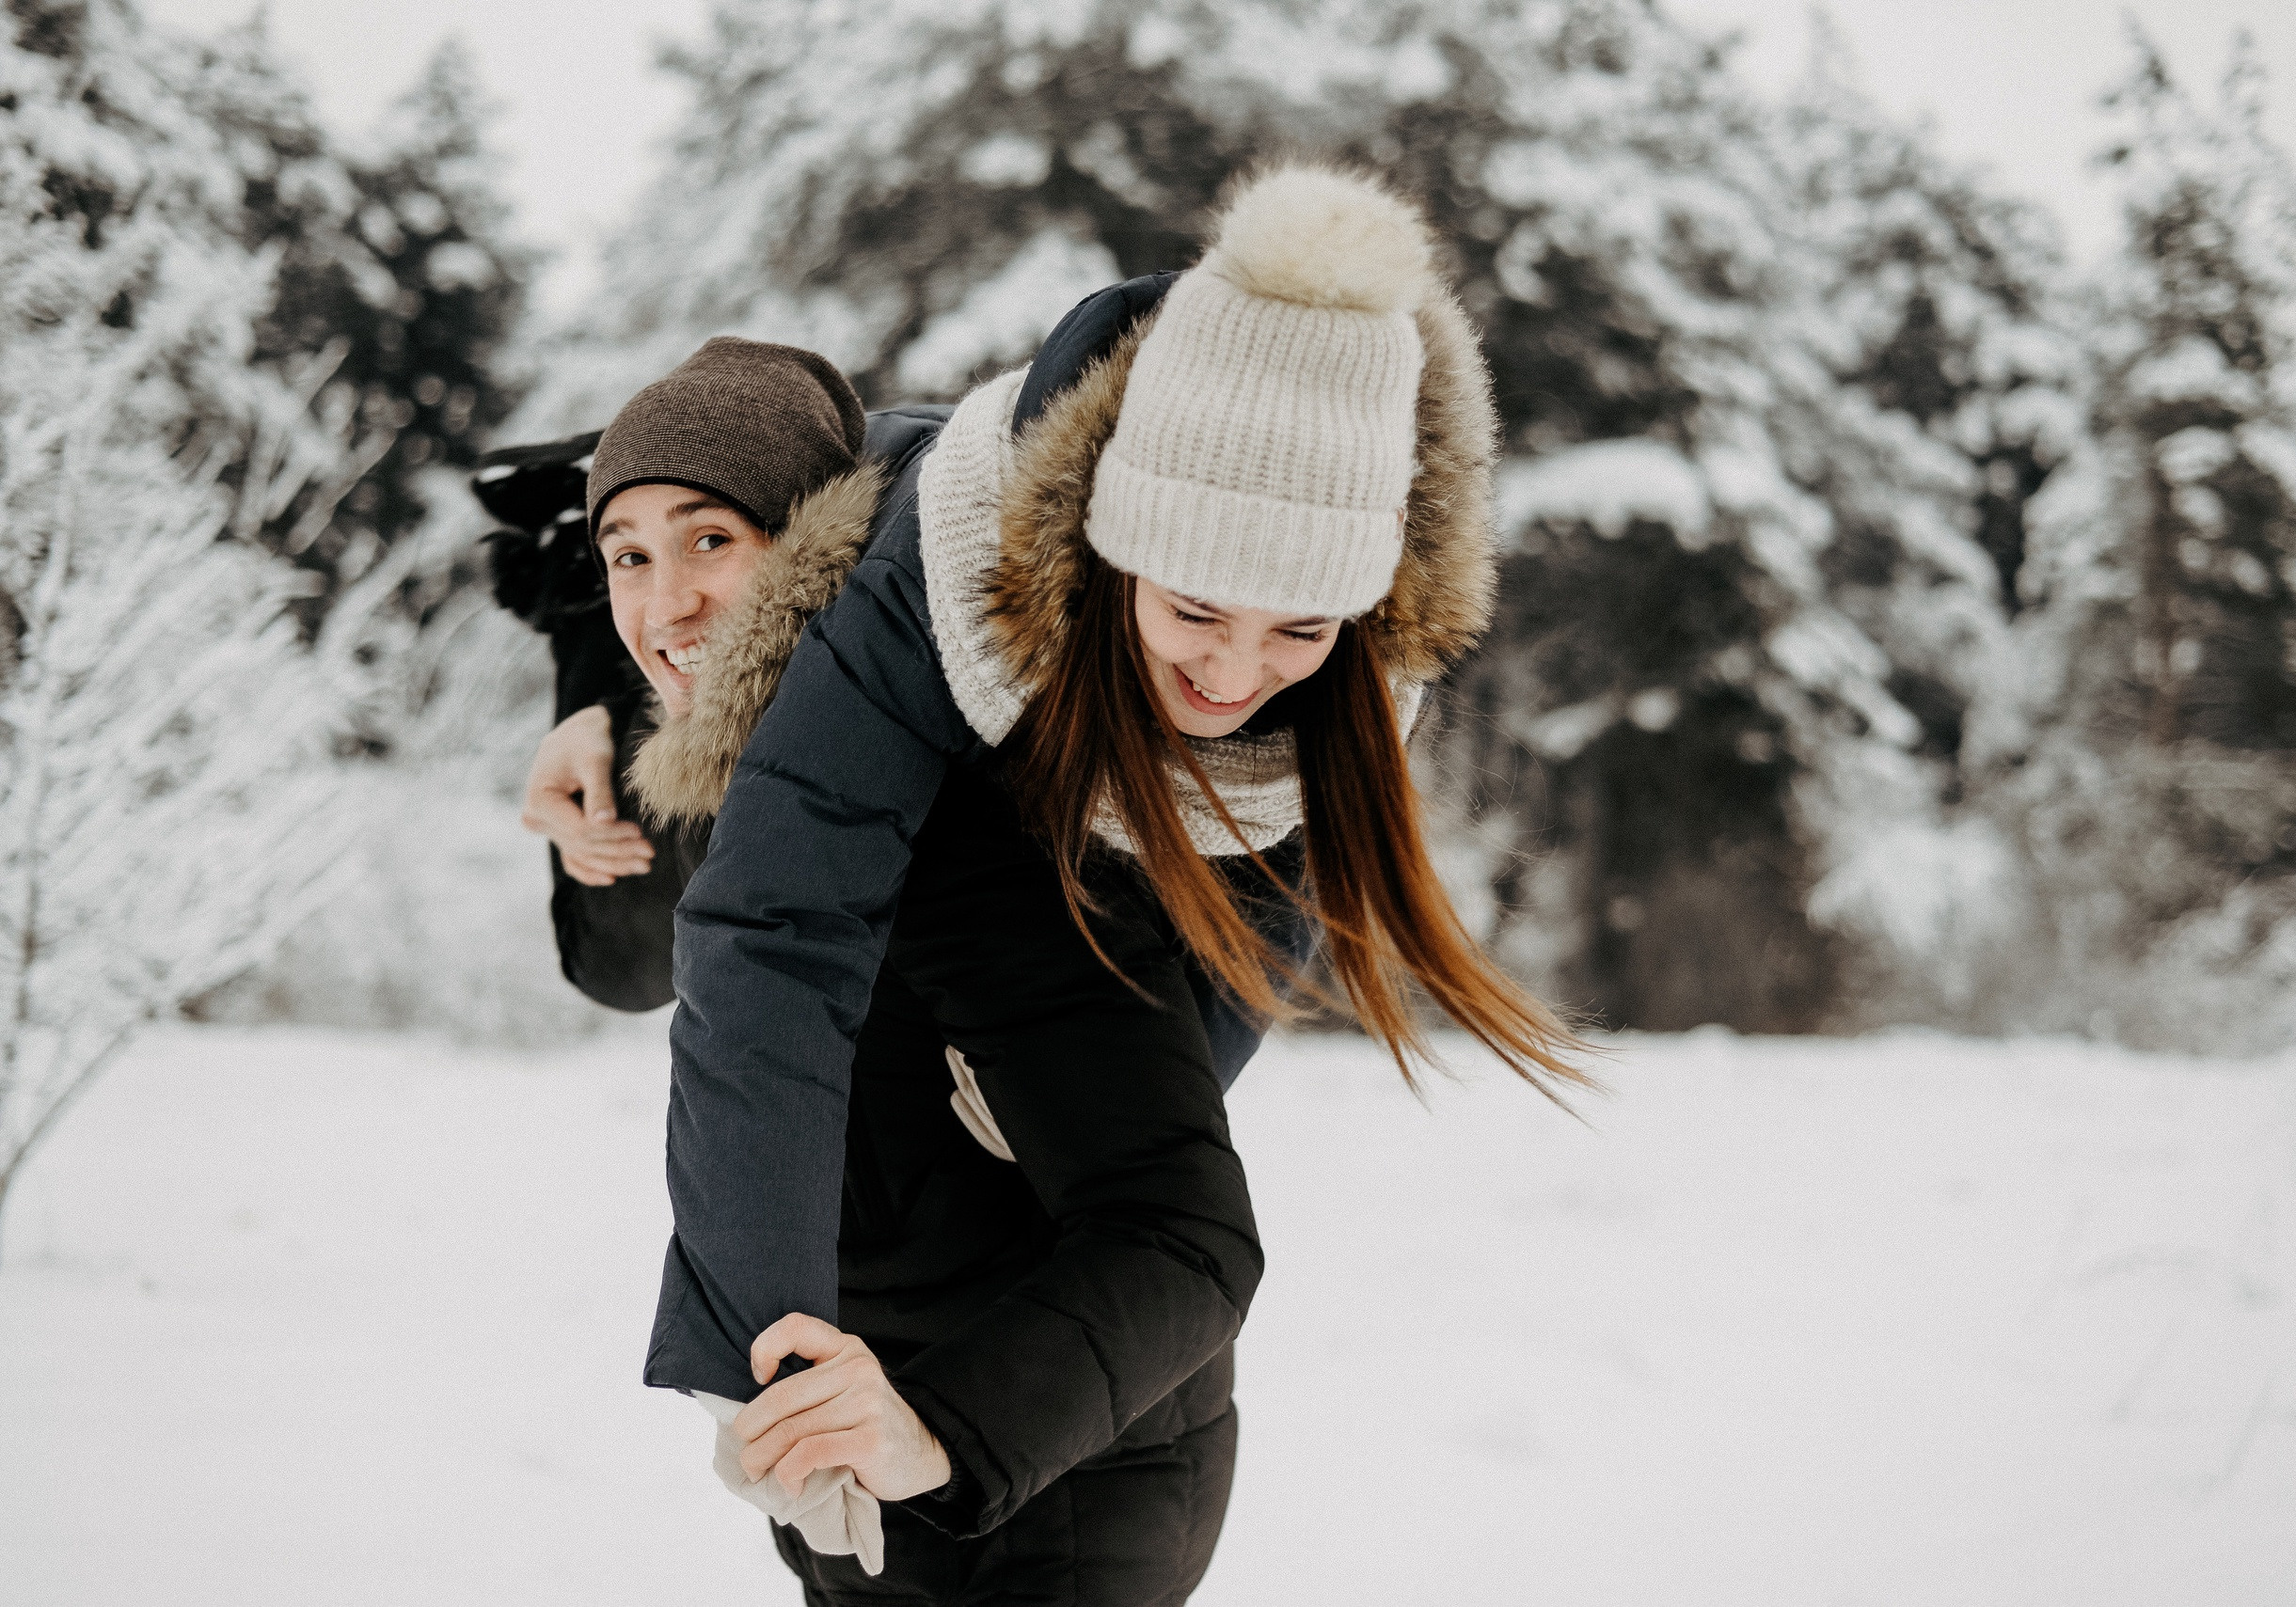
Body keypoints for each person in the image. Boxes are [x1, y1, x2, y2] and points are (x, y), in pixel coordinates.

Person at [521, 164, 1595, 1604]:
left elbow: (1182, 1204)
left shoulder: (993, 811)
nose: (670, 602)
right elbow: (644, 954)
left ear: (825, 565)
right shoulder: (777, 755)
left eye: (721, 542)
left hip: (1035, 1488)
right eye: (629, 559)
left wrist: (893, 1405)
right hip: (885, 1452)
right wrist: (594, 699)